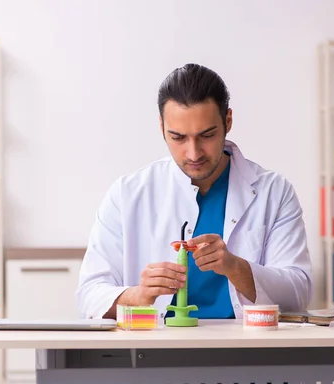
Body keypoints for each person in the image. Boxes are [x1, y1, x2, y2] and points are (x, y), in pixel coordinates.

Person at [75, 63, 312, 321]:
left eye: (207, 135)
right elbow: (89, 296)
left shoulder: (274, 193)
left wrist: (236, 267)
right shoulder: (127, 195)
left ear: (228, 121)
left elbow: (298, 295)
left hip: (244, 349)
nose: (193, 153)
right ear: (161, 127)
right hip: (154, 351)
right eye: (178, 138)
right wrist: (139, 296)